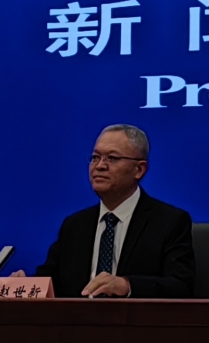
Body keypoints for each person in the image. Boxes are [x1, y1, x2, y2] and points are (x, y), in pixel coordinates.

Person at [20, 124, 195, 297]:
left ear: (139, 170)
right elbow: (51, 282)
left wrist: (127, 285)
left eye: (112, 158)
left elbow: (180, 286)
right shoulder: (75, 225)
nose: (100, 166)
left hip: (135, 315)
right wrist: (24, 286)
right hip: (79, 315)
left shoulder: (169, 222)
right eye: (95, 157)